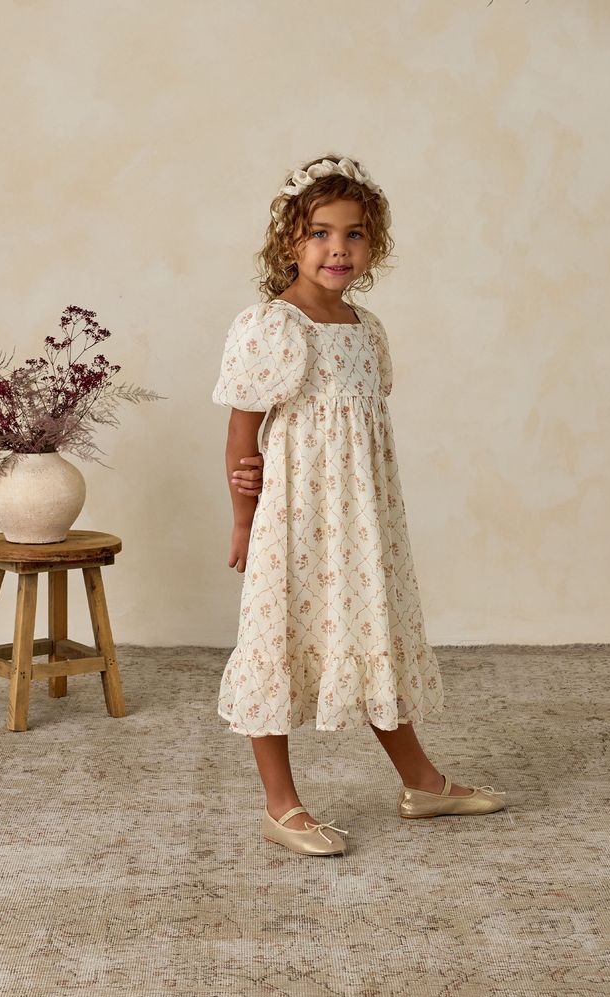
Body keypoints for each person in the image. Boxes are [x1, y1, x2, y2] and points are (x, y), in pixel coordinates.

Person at [212, 153, 505, 857]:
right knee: (278, 640)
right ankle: (280, 806)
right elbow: (243, 437)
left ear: (374, 245)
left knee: (372, 633)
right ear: (290, 240)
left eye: (354, 234)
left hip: (363, 521)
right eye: (319, 233)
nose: (337, 248)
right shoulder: (272, 326)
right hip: (296, 518)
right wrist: (245, 521)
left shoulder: (366, 329)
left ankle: (422, 783)